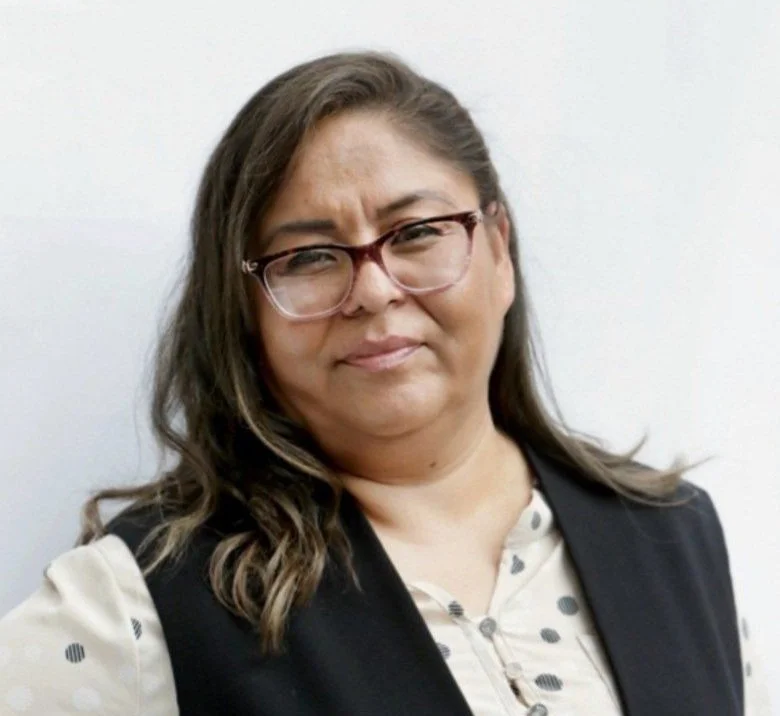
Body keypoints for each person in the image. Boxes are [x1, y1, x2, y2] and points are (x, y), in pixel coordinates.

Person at [0, 50, 771, 716]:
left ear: (499, 251)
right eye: (307, 257)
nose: (372, 291)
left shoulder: (673, 536)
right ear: (243, 313)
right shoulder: (141, 603)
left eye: (416, 234)